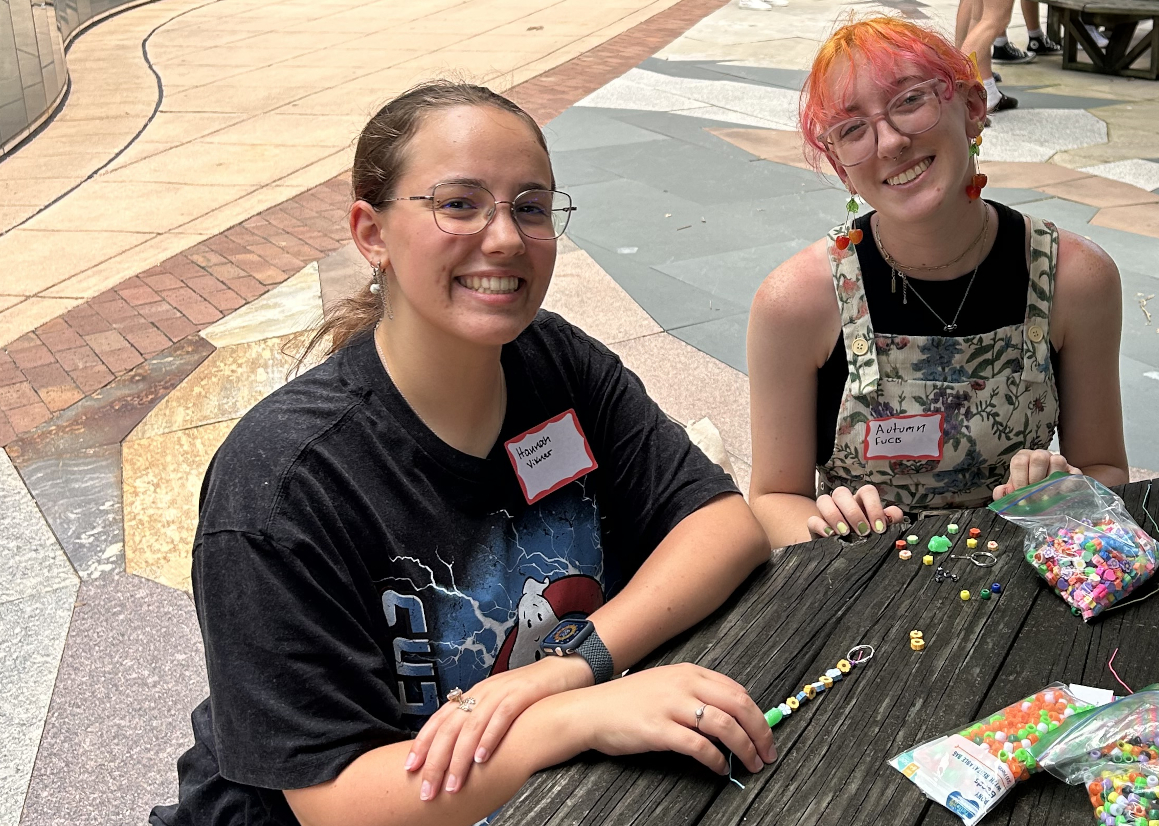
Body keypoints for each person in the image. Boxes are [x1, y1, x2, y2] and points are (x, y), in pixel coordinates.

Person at [149, 81, 776, 826]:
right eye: (459, 203)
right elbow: (335, 800)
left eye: (531, 206)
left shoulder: (558, 365)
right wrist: (577, 715)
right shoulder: (282, 481)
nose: (505, 237)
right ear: (370, 232)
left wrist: (571, 668)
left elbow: (721, 524)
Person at [746, 17, 1128, 548]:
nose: (889, 142)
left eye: (909, 101)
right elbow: (772, 498)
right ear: (840, 166)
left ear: (973, 108)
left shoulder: (1072, 277)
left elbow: (1105, 468)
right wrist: (828, 530)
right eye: (852, 129)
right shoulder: (797, 302)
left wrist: (1061, 492)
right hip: (862, 591)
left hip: (1019, 586)